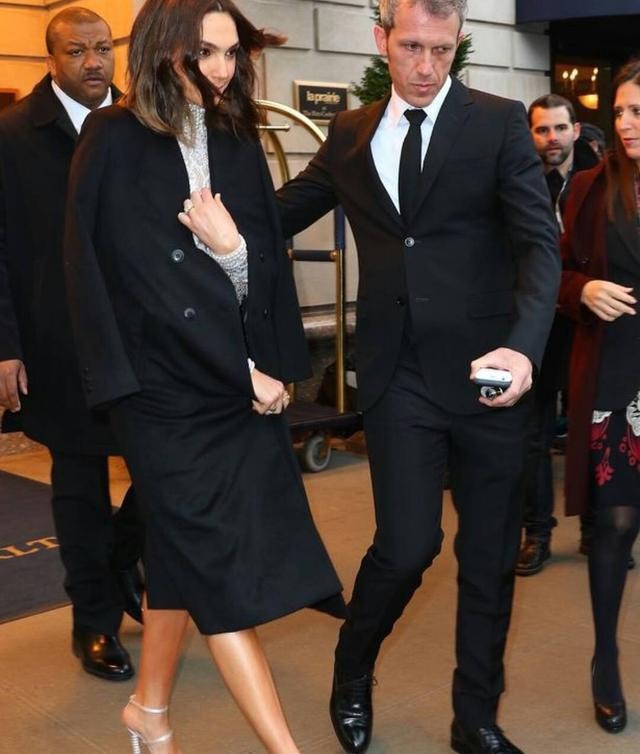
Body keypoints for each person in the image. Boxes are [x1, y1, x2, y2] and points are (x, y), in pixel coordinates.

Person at [276, 1, 559, 752]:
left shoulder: (497, 123)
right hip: (397, 374)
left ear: (458, 41)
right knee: (407, 546)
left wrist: (525, 349)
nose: (427, 66)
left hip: (490, 374)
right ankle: (352, 665)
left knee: (489, 559)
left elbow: (539, 245)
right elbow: (281, 213)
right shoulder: (350, 133)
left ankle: (476, 719)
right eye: (411, 47)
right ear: (381, 40)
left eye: (442, 48)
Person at [63, 0, 344, 752]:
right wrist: (240, 370)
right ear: (165, 50)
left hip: (230, 387)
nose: (222, 69)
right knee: (217, 570)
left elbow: (259, 268)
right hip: (158, 392)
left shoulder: (236, 137)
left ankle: (149, 712)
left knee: (182, 553)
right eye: (207, 53)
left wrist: (237, 263)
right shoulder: (112, 135)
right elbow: (134, 283)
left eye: (232, 53)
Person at [0, 6, 143, 681]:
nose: (93, 62)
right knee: (80, 485)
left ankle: (123, 560)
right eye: (77, 51)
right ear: (50, 59)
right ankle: (94, 620)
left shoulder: (144, 122)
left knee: (168, 472)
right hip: (58, 343)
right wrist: (5, 345)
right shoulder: (12, 136)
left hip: (143, 337)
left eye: (102, 48)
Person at [558, 58, 640, 736]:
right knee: (614, 522)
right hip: (616, 367)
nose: (625, 123)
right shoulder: (590, 186)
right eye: (619, 112)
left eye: (638, 112)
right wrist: (582, 289)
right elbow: (551, 270)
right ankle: (605, 658)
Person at [515, 94, 599, 576]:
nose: (552, 138)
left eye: (560, 128)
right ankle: (537, 533)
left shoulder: (598, 180)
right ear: (531, 135)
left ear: (576, 130)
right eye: (542, 130)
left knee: (592, 430)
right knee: (533, 436)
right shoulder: (519, 179)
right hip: (535, 324)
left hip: (585, 320)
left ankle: (594, 527)